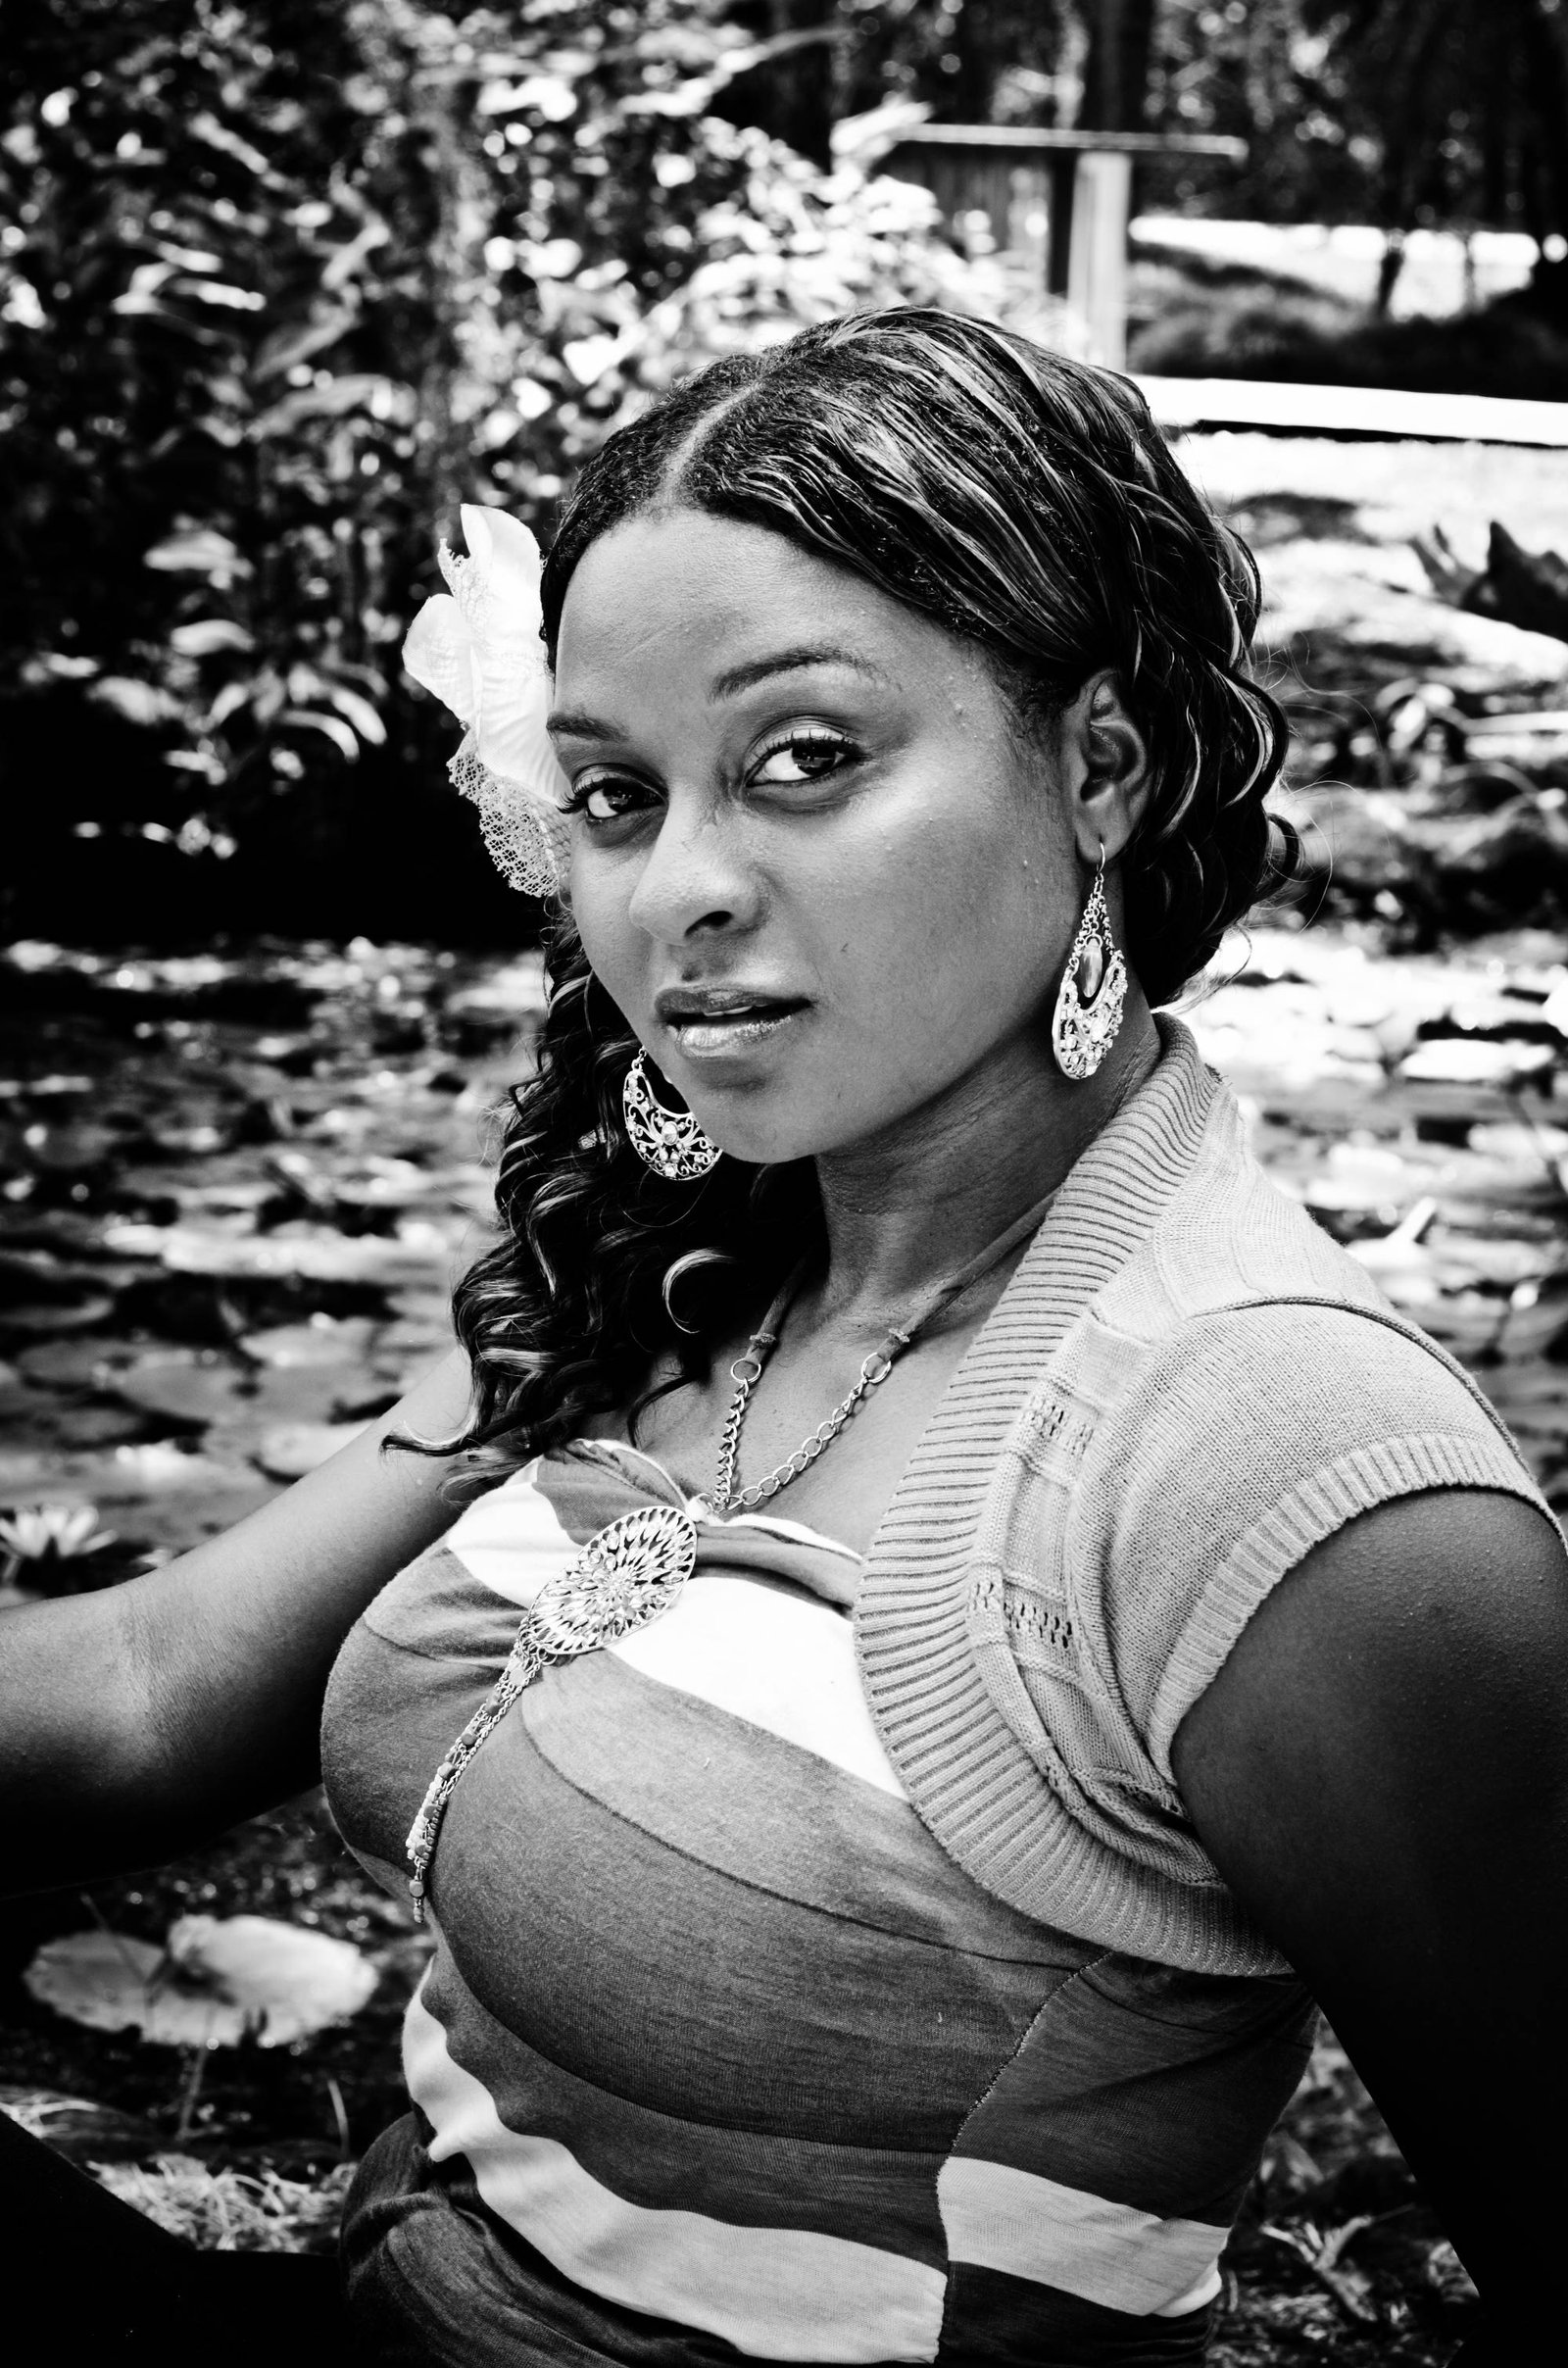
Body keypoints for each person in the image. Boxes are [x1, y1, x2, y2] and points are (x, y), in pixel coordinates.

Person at [3, 308, 1563, 2368]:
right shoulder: (673, 1261)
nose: (678, 893)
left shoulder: (1277, 1455)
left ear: (1098, 767)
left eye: (803, 760)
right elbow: (146, 1689)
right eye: (613, 795)